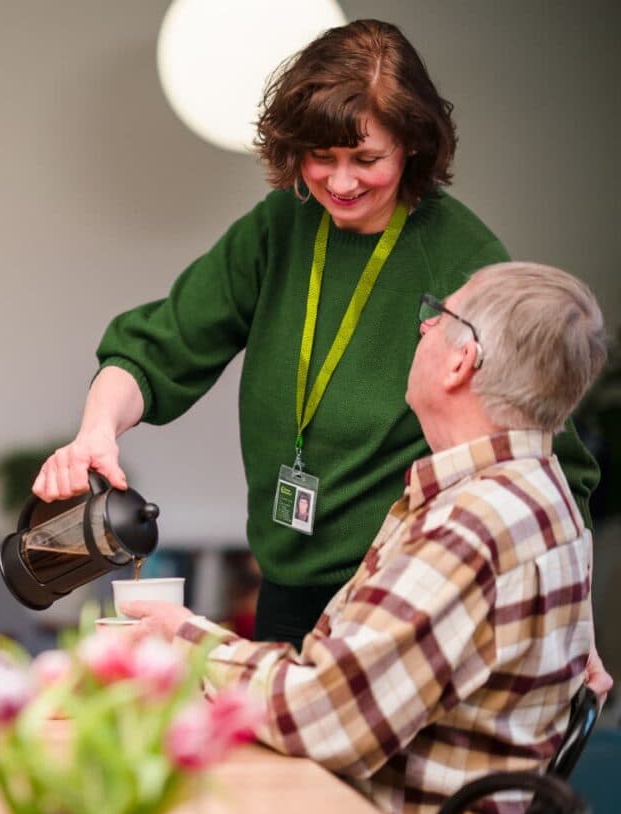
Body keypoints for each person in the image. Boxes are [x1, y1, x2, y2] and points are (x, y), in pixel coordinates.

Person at [32, 18, 601, 653]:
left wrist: (570, 633)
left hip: (401, 598)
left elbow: (552, 465)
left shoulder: (463, 258)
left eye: (367, 159)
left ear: (412, 145)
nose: (341, 182)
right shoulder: (283, 224)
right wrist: (95, 432)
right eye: (320, 157)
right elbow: (156, 347)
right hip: (285, 584)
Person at [119, 261, 608, 814]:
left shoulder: (472, 525)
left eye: (440, 316)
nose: (423, 329)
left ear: (461, 361)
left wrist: (187, 641)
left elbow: (324, 716)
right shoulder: (543, 489)